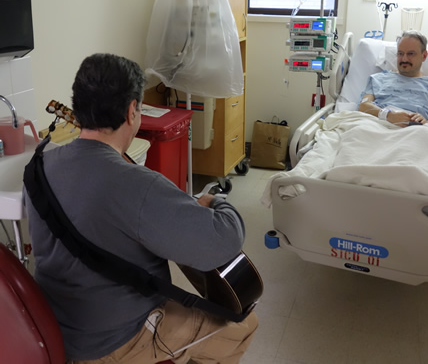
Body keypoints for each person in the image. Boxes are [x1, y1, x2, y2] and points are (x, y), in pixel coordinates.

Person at [23, 53, 258, 364]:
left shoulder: (38, 167)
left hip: (55, 327)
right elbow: (223, 241)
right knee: (242, 326)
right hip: (115, 340)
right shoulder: (137, 185)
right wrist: (216, 202)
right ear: (133, 110)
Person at [358, 30, 428, 127]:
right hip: (378, 125)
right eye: (400, 53)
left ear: (424, 56)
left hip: (417, 131)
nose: (404, 59)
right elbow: (364, 105)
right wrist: (388, 115)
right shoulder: (379, 79)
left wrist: (427, 123)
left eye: (411, 54)